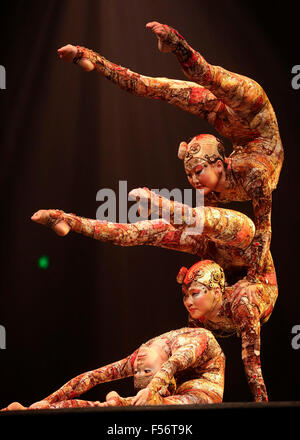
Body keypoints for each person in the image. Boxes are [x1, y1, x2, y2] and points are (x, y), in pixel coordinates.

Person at [57, 21, 284, 278]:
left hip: (238, 123)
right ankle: (94, 56)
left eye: (197, 171)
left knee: (198, 79)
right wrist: (257, 269)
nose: (193, 180)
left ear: (218, 164)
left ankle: (169, 45)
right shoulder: (249, 174)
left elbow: (257, 231)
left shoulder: (238, 178)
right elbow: (260, 231)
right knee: (160, 86)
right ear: (220, 164)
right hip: (254, 116)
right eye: (190, 174)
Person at [31, 208, 276, 401]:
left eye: (193, 295)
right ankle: (63, 218)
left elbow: (251, 363)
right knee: (136, 233)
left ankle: (162, 204)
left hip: (247, 249)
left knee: (207, 221)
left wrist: (254, 274)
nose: (188, 303)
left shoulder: (243, 301)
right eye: (186, 296)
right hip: (216, 252)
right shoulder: (205, 308)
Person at [1, 327, 225, 410]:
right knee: (107, 405)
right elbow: (91, 378)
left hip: (203, 393)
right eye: (139, 372)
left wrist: (151, 390)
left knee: (130, 404)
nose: (137, 368)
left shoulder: (191, 344)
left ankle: (121, 404)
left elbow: (173, 365)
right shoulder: (148, 356)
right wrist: (47, 401)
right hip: (170, 392)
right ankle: (36, 411)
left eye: (144, 372)